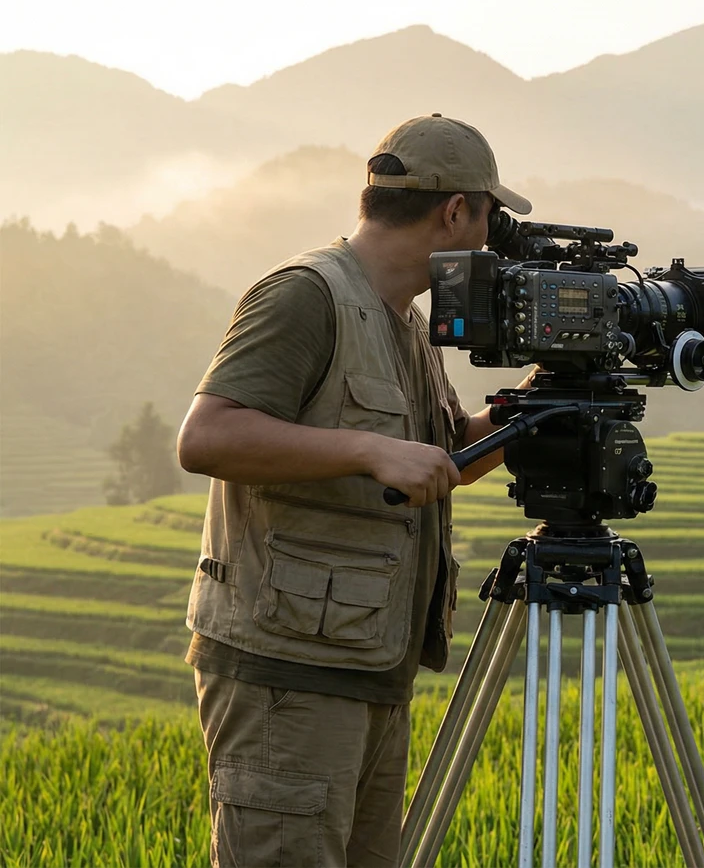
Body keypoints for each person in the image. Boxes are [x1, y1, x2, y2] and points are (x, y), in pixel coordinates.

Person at [175, 114, 534, 867]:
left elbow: (430, 464)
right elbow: (206, 436)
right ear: (456, 210)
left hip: (371, 668)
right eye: (491, 216)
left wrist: (526, 410)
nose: (492, 240)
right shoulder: (306, 295)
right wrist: (369, 449)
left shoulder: (403, 322)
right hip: (290, 685)